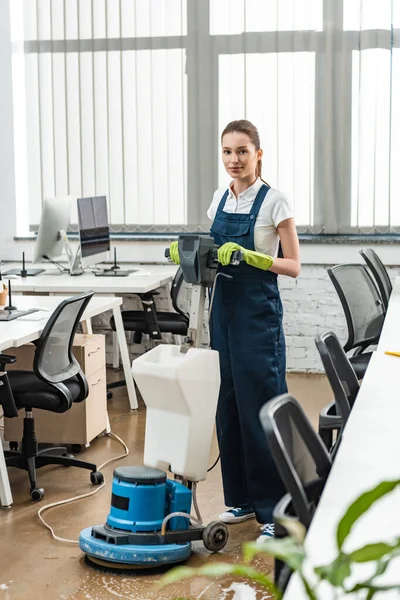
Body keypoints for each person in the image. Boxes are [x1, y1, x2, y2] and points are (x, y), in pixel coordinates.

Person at [170, 119, 300, 542]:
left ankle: (275, 513)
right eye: (227, 152)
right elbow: (212, 255)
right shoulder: (218, 199)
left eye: (242, 151)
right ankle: (242, 499)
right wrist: (186, 253)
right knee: (227, 406)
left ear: (258, 154)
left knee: (260, 410)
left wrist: (256, 258)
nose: (234, 160)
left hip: (258, 315)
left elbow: (294, 265)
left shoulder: (274, 201)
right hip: (222, 311)